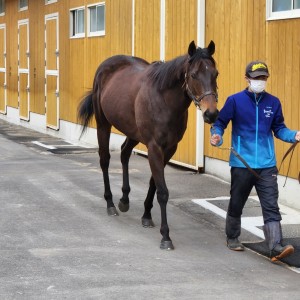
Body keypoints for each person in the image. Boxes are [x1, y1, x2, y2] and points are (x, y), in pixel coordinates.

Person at [210, 60, 300, 261]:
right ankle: (232, 237)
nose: (260, 81)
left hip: (267, 165)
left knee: (271, 205)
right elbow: (220, 123)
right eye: (256, 77)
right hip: (242, 163)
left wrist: (294, 135)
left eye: (263, 78)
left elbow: (279, 129)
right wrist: (216, 136)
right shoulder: (235, 101)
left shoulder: (273, 102)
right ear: (247, 79)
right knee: (237, 202)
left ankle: (275, 245)